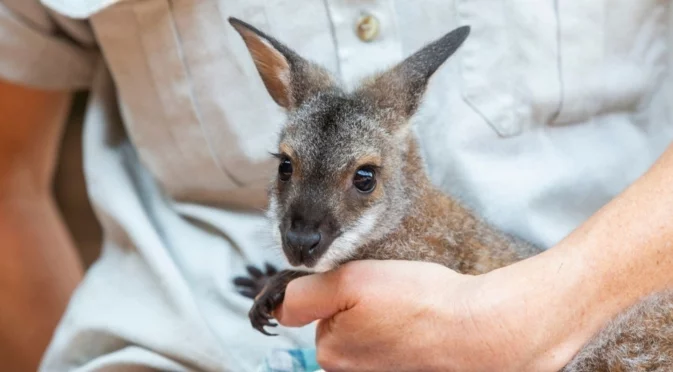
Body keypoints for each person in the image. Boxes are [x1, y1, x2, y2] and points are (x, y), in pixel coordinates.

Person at [0, 1, 672, 371]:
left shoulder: (431, 226)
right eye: (287, 170)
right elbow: (8, 181)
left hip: (584, 332)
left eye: (360, 181)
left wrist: (530, 319)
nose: (305, 219)